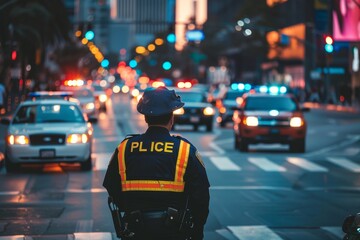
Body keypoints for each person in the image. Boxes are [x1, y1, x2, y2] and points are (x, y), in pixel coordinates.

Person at [103, 86, 210, 240]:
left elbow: (112, 186)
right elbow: (201, 195)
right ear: (171, 118)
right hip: (175, 232)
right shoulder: (184, 150)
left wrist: (132, 209)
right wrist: (197, 229)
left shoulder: (124, 148)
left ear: (145, 117)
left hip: (136, 230)